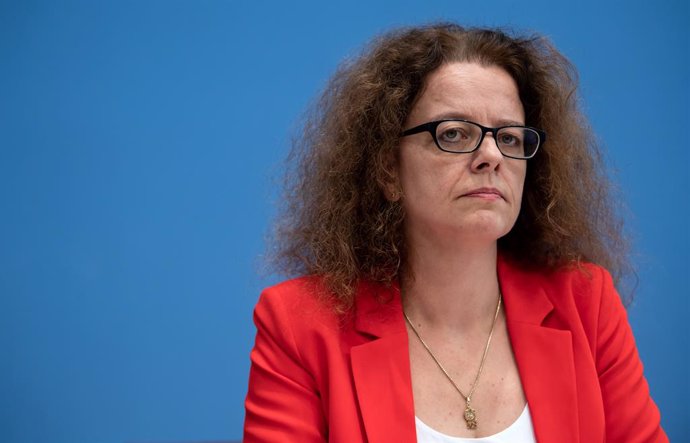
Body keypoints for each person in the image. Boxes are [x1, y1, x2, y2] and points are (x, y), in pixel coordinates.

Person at [243, 23, 668, 442]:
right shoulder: (299, 325)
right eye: (453, 133)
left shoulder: (585, 305)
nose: (491, 156)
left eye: (510, 137)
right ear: (388, 170)